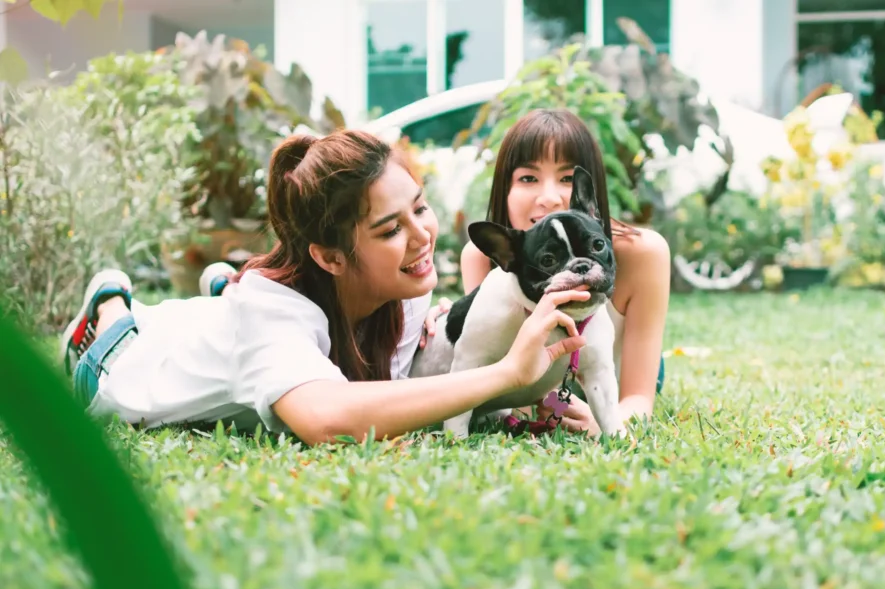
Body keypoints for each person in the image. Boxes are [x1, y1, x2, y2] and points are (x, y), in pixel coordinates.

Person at [61, 129, 592, 445]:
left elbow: (398, 388)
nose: (421, 236)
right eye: (390, 229)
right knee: (144, 332)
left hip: (241, 325)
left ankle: (223, 286)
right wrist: (504, 373)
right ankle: (108, 302)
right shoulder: (272, 312)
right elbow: (324, 419)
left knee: (242, 312)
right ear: (330, 257)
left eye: (421, 208)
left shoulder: (406, 289)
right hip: (122, 360)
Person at [455, 109, 671, 435]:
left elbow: (638, 397)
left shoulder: (642, 252)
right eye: (528, 178)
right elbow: (494, 376)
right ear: (504, 190)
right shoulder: (483, 257)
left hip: (611, 375)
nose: (550, 198)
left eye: (567, 178)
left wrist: (607, 422)